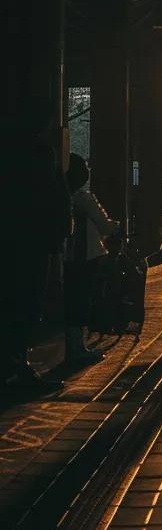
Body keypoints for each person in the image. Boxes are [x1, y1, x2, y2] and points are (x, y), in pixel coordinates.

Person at [1, 101, 72, 391]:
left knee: (11, 300)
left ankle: (11, 364)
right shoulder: (40, 153)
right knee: (27, 302)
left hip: (12, 238)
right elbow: (53, 195)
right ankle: (16, 366)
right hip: (33, 241)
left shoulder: (8, 149)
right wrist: (58, 233)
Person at [64, 154, 118, 365]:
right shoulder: (84, 198)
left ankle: (73, 346)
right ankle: (77, 349)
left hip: (65, 257)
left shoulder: (60, 196)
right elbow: (105, 225)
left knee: (71, 301)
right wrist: (117, 226)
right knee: (82, 299)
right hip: (87, 256)